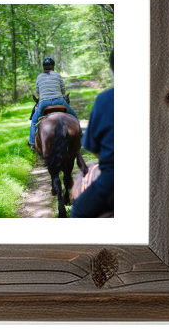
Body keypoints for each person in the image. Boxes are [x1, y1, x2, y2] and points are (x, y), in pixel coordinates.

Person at [71, 49, 114, 218]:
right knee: (71, 114)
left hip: (113, 181)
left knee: (35, 119)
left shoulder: (106, 99)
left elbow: (96, 151)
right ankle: (77, 128)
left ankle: (32, 140)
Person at [28, 57, 80, 150]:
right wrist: (61, 94)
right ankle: (80, 135)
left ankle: (32, 142)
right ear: (53, 67)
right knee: (74, 115)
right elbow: (63, 89)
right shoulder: (57, 75)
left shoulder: (39, 76)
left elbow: (37, 92)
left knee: (34, 120)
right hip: (59, 101)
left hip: (44, 103)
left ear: (43, 68)